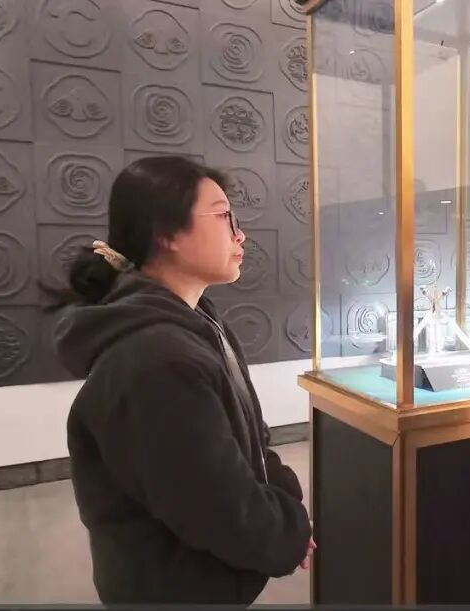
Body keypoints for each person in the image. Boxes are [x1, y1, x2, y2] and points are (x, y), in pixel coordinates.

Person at [53, 156, 313, 604]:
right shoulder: (155, 361)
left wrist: (286, 511)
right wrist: (288, 532)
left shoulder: (200, 323)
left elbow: (251, 439)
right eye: (224, 216)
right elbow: (217, 507)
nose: (240, 234)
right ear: (166, 233)